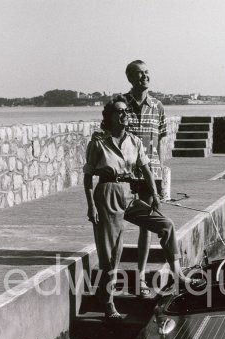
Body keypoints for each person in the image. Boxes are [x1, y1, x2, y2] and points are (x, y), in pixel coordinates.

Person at [83, 96, 187, 319]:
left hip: (129, 194)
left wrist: (156, 194)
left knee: (166, 225)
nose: (124, 115)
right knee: (112, 255)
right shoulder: (98, 142)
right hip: (107, 194)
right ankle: (109, 303)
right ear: (109, 117)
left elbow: (147, 169)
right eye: (119, 112)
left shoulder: (135, 141)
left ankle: (178, 275)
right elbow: (88, 177)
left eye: (126, 112)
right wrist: (91, 205)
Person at [123, 60, 167, 295]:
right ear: (130, 78)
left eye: (147, 73)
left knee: (146, 227)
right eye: (139, 74)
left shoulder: (157, 106)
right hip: (125, 176)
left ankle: (140, 277)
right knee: (119, 224)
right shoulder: (120, 104)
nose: (144, 77)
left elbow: (161, 142)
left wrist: (162, 174)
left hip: (151, 175)